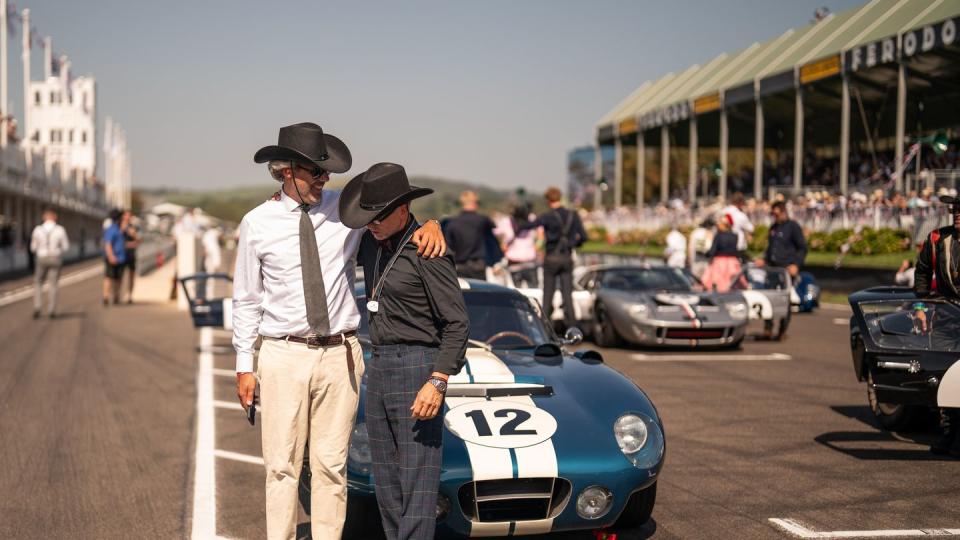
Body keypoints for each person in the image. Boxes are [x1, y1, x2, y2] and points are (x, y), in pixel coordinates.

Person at [232, 122, 446, 540]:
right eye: (317, 171)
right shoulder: (256, 223)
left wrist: (432, 223)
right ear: (287, 171)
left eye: (326, 171)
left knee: (332, 465)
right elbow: (246, 299)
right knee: (281, 466)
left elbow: (397, 219)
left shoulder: (346, 212)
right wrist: (244, 365)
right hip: (282, 355)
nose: (326, 178)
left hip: (340, 356)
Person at [340, 162, 469, 540]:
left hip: (419, 367)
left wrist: (438, 380)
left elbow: (457, 323)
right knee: (388, 486)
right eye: (368, 216)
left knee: (418, 484)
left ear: (402, 209)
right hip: (378, 366)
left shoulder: (428, 250)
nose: (371, 223)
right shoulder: (370, 243)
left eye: (379, 215)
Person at [913, 195, 960, 457]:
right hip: (946, 316)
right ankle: (950, 434)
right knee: (946, 378)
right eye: (955, 208)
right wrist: (921, 307)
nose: (957, 213)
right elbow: (921, 274)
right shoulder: (937, 239)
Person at [522, 187, 587, 328]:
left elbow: (528, 226)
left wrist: (522, 216)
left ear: (548, 200)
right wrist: (571, 243)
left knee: (548, 294)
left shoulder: (547, 216)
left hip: (551, 257)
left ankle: (545, 327)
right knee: (567, 294)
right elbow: (583, 237)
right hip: (566, 257)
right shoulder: (573, 215)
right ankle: (572, 328)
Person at [443, 190, 496, 280]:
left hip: (459, 266)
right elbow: (493, 237)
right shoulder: (483, 220)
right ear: (475, 203)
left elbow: (448, 247)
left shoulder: (452, 223)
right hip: (478, 266)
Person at [29, 208, 69, 319]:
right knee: (53, 284)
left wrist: (41, 250)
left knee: (38, 283)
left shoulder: (37, 229)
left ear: (44, 217)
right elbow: (66, 247)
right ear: (55, 217)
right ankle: (52, 310)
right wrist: (57, 251)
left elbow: (33, 248)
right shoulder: (60, 230)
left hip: (41, 258)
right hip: (55, 258)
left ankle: (37, 307)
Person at [756, 200, 807, 278]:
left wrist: (796, 265)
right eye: (773, 215)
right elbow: (771, 248)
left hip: (787, 270)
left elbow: (802, 248)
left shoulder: (793, 226)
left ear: (784, 212)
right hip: (773, 269)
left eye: (777, 214)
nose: (775, 217)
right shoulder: (773, 228)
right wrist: (764, 260)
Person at [700, 214, 740, 293]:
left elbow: (712, 251)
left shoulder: (718, 236)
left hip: (720, 263)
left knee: (716, 284)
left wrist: (705, 255)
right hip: (732, 262)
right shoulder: (735, 236)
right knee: (731, 285)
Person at [102, 209, 128, 306]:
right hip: (112, 257)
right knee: (109, 277)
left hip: (121, 257)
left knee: (118, 278)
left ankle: (116, 296)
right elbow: (108, 244)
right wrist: (111, 256)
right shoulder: (112, 229)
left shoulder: (121, 230)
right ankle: (106, 297)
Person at [122, 211, 141, 304]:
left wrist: (133, 234)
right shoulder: (119, 226)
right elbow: (118, 242)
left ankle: (130, 295)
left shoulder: (133, 227)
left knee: (131, 276)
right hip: (121, 254)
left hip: (131, 255)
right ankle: (117, 294)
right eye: (126, 215)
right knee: (119, 276)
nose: (128, 217)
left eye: (130, 215)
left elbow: (138, 241)